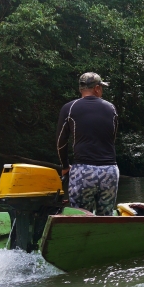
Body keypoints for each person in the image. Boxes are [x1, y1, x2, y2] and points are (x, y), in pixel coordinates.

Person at [56, 72, 119, 215]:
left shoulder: (69, 108)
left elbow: (61, 142)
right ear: (96, 88)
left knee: (81, 216)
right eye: (101, 87)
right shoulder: (111, 108)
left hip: (83, 171)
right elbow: (112, 138)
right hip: (109, 171)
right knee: (106, 217)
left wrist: (65, 166)